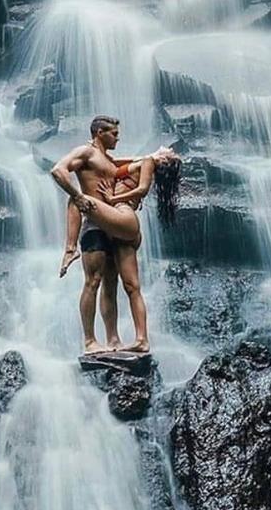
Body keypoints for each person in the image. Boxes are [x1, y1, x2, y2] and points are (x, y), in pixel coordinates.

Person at [49, 115, 181, 357]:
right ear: (99, 132)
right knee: (93, 282)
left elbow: (140, 164)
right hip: (95, 224)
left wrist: (157, 157)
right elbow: (58, 170)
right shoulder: (86, 153)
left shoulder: (109, 160)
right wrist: (77, 195)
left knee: (113, 285)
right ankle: (91, 341)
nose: (118, 138)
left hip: (115, 221)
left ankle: (114, 340)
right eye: (114, 134)